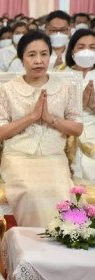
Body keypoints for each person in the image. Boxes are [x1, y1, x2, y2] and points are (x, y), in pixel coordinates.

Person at [0, 30, 83, 227]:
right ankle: (36, 248)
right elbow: (0, 133)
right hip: (18, 157)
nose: (38, 60)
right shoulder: (7, 89)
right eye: (31, 55)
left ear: (50, 56)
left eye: (44, 54)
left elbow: (77, 129)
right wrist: (32, 117)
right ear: (21, 58)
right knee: (31, 191)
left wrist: (50, 118)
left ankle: (63, 243)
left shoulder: (65, 87)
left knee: (59, 192)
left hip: (53, 157)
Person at [63, 29, 95, 182]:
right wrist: (80, 105)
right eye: (81, 47)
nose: (87, 52)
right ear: (72, 52)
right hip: (65, 133)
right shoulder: (59, 76)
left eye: (92, 47)